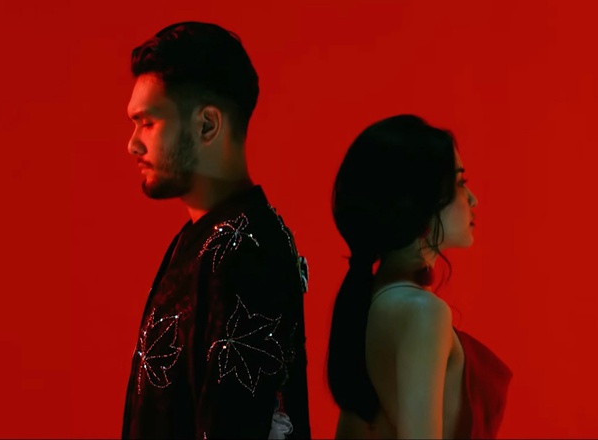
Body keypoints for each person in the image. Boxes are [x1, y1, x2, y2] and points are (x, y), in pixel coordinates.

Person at [120, 22, 311, 439]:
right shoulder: (202, 240)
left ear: (207, 125)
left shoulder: (244, 249)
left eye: (148, 122)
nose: (132, 143)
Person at [326, 115, 512, 439]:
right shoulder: (421, 312)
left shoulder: (367, 301)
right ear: (422, 205)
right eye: (460, 183)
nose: (472, 199)